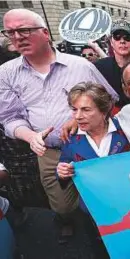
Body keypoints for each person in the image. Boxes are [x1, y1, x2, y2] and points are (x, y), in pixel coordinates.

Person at [0, 9, 119, 242]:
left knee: (103, 198)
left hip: (90, 146)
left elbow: (109, 99)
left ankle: (106, 231)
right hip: (50, 151)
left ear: (45, 33)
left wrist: (77, 118)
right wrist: (30, 136)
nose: (17, 37)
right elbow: (9, 118)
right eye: (10, 32)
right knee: (62, 204)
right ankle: (65, 219)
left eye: (24, 30)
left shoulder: (80, 66)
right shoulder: (5, 73)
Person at [56, 82, 130, 258]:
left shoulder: (126, 130)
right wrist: (62, 173)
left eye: (86, 110)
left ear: (104, 111)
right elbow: (63, 165)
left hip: (127, 207)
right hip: (92, 211)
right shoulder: (70, 139)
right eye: (74, 110)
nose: (78, 116)